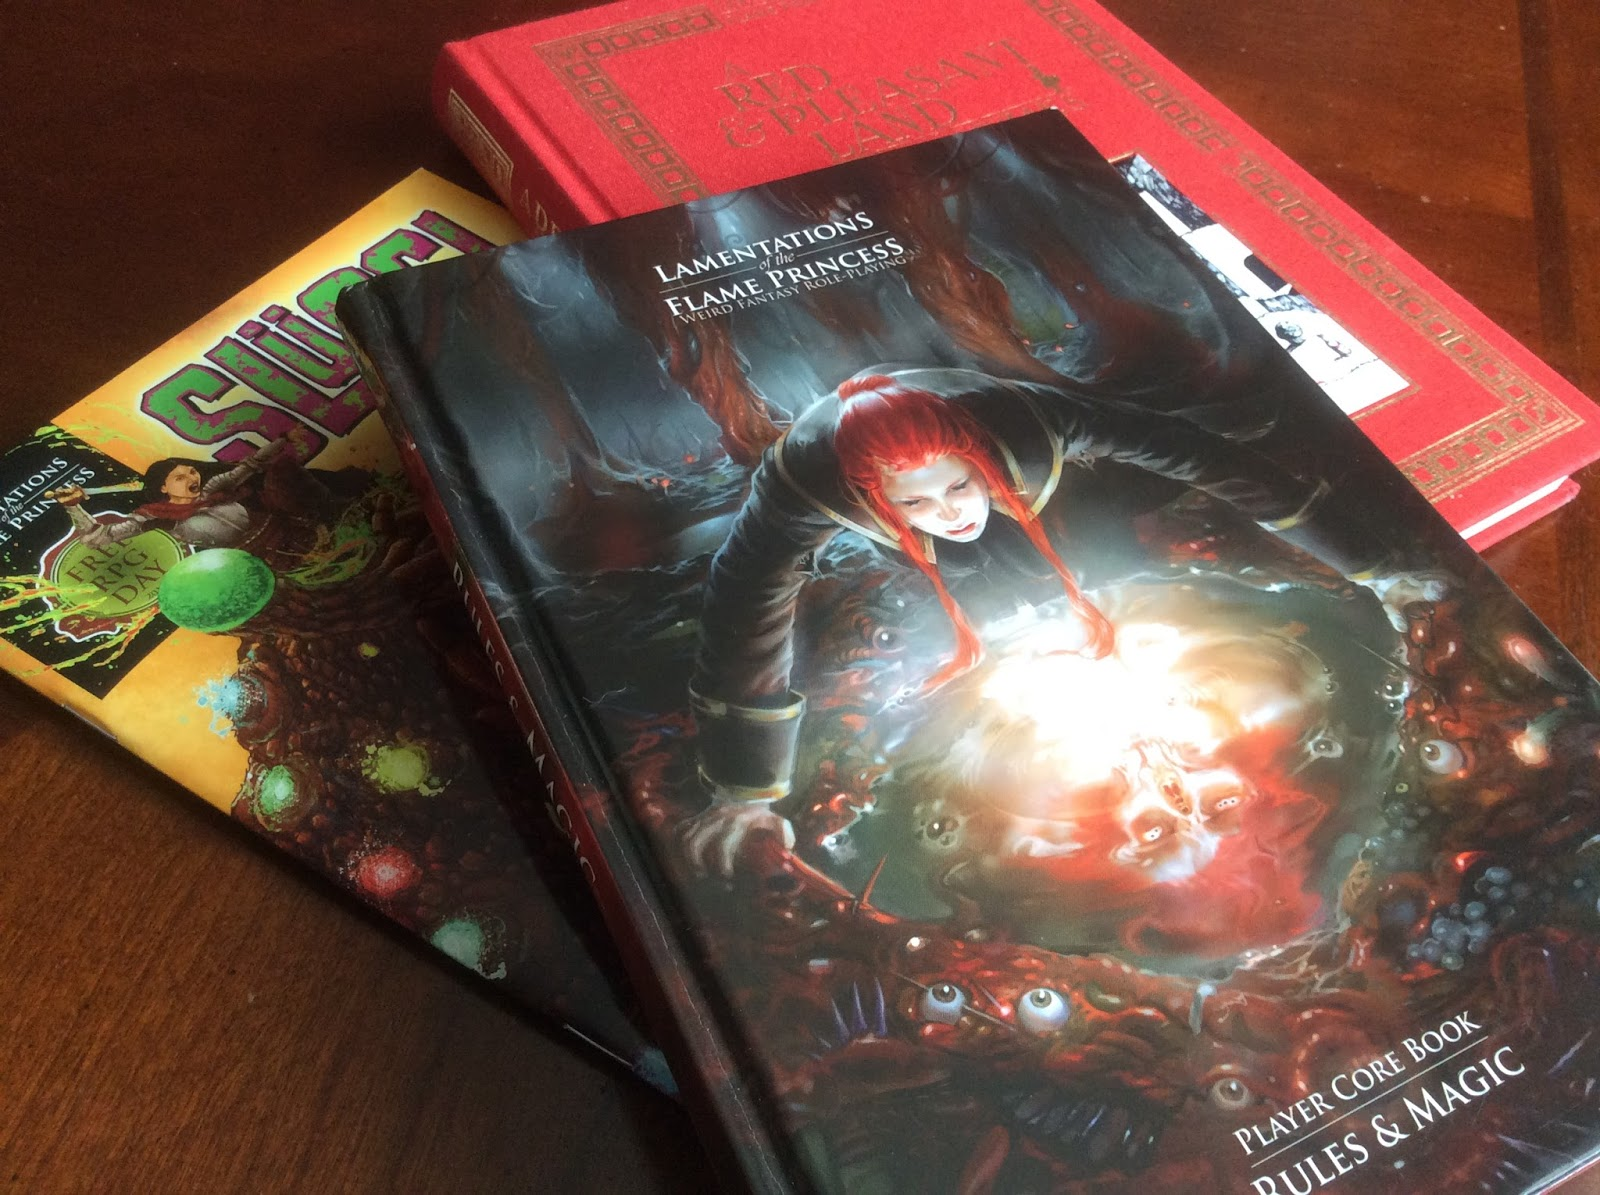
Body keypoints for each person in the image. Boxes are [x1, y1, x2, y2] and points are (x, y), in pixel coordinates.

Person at [684, 367, 1405, 875]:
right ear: (878, 501)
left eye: (959, 486)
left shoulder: (1030, 420)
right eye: (918, 503)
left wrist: (1373, 563)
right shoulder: (802, 487)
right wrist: (744, 790)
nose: (951, 513)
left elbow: (1199, 456)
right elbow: (746, 602)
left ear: (981, 462)